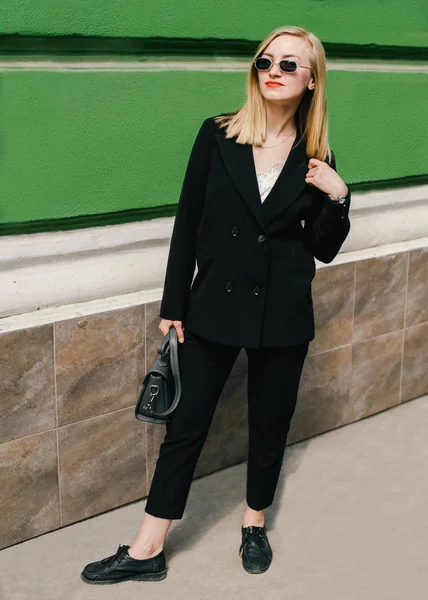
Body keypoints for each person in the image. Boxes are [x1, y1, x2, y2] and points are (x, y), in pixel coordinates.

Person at [81, 24, 351, 584]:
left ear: (312, 79)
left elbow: (324, 248)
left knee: (269, 424)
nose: (273, 71)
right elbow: (188, 223)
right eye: (265, 62)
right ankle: (147, 547)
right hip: (213, 306)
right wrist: (174, 301)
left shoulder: (317, 153)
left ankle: (254, 524)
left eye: (289, 65)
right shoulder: (218, 133)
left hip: (282, 311)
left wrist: (338, 196)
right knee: (185, 425)